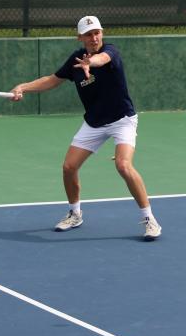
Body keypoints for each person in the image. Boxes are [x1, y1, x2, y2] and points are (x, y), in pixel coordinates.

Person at [9, 16, 161, 241]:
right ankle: (75, 214)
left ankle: (149, 219)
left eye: (97, 32)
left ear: (102, 33)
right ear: (80, 37)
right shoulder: (75, 60)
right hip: (94, 122)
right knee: (69, 167)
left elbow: (102, 59)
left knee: (123, 165)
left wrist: (91, 62)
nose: (94, 37)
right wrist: (23, 87)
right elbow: (52, 80)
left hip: (122, 120)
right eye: (89, 34)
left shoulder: (111, 51)